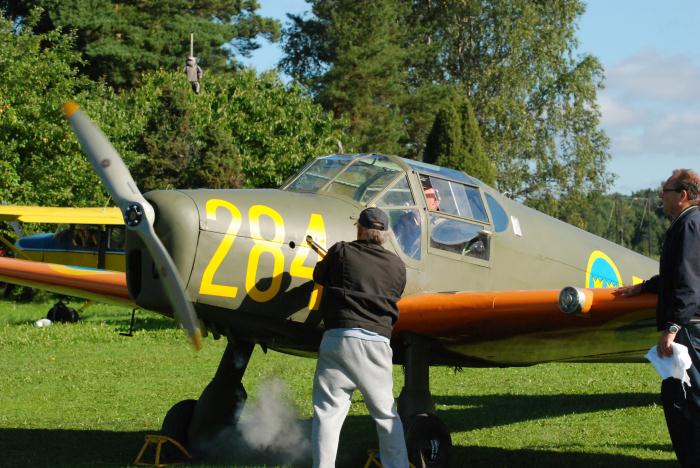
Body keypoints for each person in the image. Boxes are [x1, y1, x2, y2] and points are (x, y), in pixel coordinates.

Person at [311, 207, 409, 468]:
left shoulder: (341, 250)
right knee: (386, 416)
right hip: (377, 344)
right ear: (385, 234)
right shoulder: (398, 266)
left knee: (327, 414)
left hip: (338, 339)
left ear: (359, 229)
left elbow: (318, 276)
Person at [616, 169, 700, 466]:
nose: (661, 196)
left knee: (688, 401)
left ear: (683, 195)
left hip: (689, 329)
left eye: (666, 191)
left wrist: (672, 327)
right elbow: (673, 275)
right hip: (687, 327)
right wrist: (643, 287)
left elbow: (689, 283)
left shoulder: (690, 224)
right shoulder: (685, 223)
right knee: (677, 398)